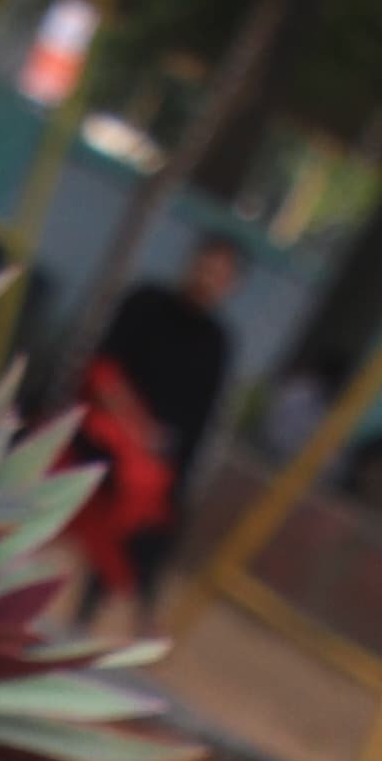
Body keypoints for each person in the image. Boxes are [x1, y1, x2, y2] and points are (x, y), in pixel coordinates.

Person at [77, 234, 246, 610]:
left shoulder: (216, 343)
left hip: (155, 455)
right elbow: (105, 372)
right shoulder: (146, 302)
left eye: (221, 275)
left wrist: (171, 464)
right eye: (206, 267)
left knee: (153, 508)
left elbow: (197, 421)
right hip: (106, 426)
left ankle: (109, 605)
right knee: (131, 479)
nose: (208, 279)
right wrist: (135, 426)